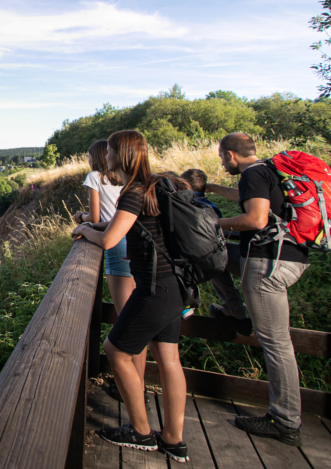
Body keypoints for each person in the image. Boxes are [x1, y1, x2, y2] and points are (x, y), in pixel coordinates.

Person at [72, 130, 189, 463]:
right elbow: (117, 226)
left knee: (115, 350)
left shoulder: (133, 191)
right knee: (169, 360)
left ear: (119, 154)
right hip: (173, 287)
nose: (104, 155)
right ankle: (174, 439)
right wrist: (91, 227)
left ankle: (140, 432)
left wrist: (83, 230)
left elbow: (109, 240)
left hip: (153, 288)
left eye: (108, 150)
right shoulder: (152, 186)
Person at [204, 132, 308, 446]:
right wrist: (209, 188)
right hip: (284, 257)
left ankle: (285, 421)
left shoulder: (252, 174)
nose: (222, 163)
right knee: (212, 259)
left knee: (276, 343)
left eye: (222, 157)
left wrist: (210, 225)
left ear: (230, 154)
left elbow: (256, 218)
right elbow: (244, 197)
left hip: (268, 265)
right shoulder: (266, 171)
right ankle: (235, 312)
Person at [72, 140, 148, 409]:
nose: (105, 155)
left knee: (127, 318)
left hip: (116, 245)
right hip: (136, 244)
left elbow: (94, 216)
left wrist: (81, 219)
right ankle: (137, 382)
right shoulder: (131, 181)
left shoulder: (95, 177)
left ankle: (135, 388)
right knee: (135, 318)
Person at [181, 169, 251, 331]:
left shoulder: (189, 206)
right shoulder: (210, 205)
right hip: (220, 249)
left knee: (212, 264)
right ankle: (235, 309)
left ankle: (187, 305)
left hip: (202, 254)